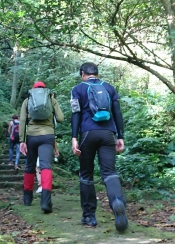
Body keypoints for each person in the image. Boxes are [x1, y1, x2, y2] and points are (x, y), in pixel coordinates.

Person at [70, 62, 128, 232]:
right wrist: (120, 136)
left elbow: (76, 114)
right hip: (107, 134)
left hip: (87, 134)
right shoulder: (109, 88)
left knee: (86, 174)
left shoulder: (78, 89)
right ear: (97, 73)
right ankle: (117, 201)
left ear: (83, 74)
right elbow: (117, 113)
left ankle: (89, 216)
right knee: (109, 172)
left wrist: (74, 138)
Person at [19, 81, 64, 213]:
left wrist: (22, 140)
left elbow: (22, 121)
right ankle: (45, 201)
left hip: (31, 136)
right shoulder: (51, 99)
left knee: (29, 166)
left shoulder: (28, 100)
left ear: (33, 89)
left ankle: (27, 198)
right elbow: (61, 118)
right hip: (47, 136)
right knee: (45, 166)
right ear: (45, 89)